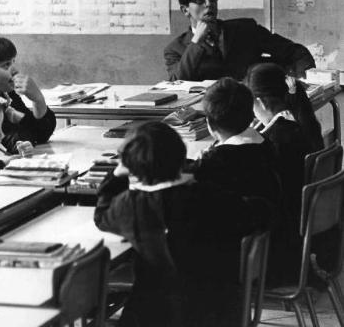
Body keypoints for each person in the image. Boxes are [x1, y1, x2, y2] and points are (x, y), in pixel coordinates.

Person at [94, 121, 271, 327]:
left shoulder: (129, 206)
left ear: (130, 166)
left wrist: (116, 174)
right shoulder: (210, 196)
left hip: (154, 315)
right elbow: (263, 211)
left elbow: (101, 215)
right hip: (219, 313)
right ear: (181, 158)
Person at [164, 0, 315, 81]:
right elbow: (177, 83)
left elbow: (296, 52)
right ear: (185, 10)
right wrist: (196, 43)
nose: (209, 3)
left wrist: (303, 84)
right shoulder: (175, 49)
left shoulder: (245, 29)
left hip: (255, 112)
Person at [245, 62, 315, 282]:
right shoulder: (298, 126)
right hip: (298, 237)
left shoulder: (275, 142)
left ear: (258, 102)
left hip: (279, 252)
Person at [190, 77, 281, 206]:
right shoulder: (268, 144)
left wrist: (199, 162)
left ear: (209, 123)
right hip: (270, 221)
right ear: (251, 115)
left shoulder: (211, 163)